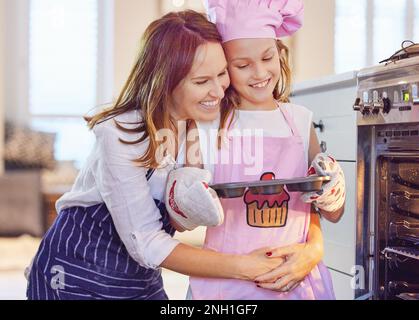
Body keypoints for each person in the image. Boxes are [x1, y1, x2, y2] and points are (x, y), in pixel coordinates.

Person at [25, 10, 286, 300]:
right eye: (201, 81)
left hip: (139, 276)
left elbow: (173, 222)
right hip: (75, 273)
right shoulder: (121, 134)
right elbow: (147, 242)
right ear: (165, 82)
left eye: (222, 73)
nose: (218, 90)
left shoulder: (193, 124)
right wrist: (245, 267)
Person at [171, 0, 346, 300]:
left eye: (267, 57)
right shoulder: (204, 125)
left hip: (295, 283)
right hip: (225, 287)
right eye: (242, 65)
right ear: (224, 70)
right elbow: (178, 222)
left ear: (279, 53)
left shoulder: (301, 121)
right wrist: (185, 200)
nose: (259, 72)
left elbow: (327, 212)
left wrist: (333, 191)